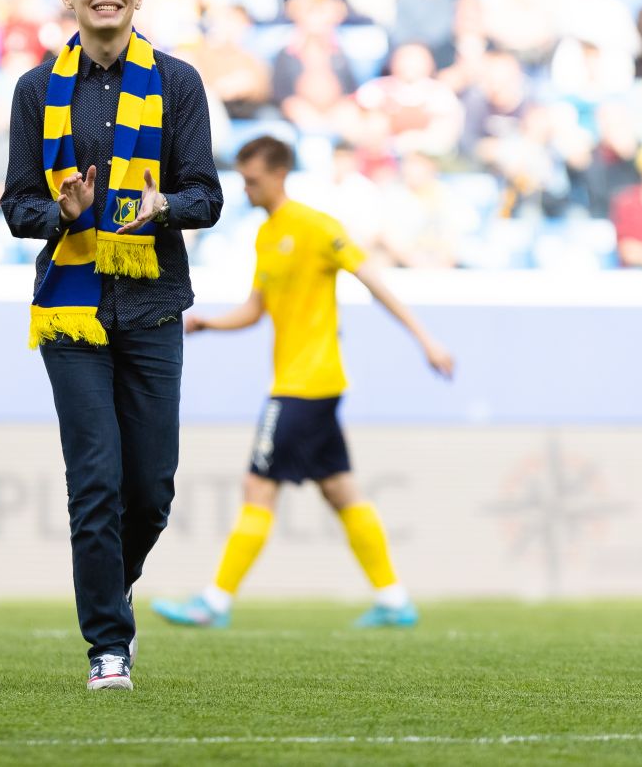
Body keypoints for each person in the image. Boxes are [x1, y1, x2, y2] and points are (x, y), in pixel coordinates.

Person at [0, 0, 223, 691]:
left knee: (151, 490)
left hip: (153, 304)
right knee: (95, 480)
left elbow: (207, 196)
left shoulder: (179, 82)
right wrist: (61, 215)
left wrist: (165, 207)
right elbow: (17, 206)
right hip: (71, 311)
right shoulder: (36, 90)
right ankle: (108, 645)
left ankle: (108, 584)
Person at [151, 136, 454, 632]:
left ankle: (214, 602)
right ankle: (395, 600)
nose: (245, 189)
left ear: (279, 174)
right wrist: (209, 324)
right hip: (308, 383)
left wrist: (426, 339)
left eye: (252, 180)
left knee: (258, 485)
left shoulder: (316, 226)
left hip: (303, 385)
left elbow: (373, 280)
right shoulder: (266, 235)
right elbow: (256, 309)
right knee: (339, 490)